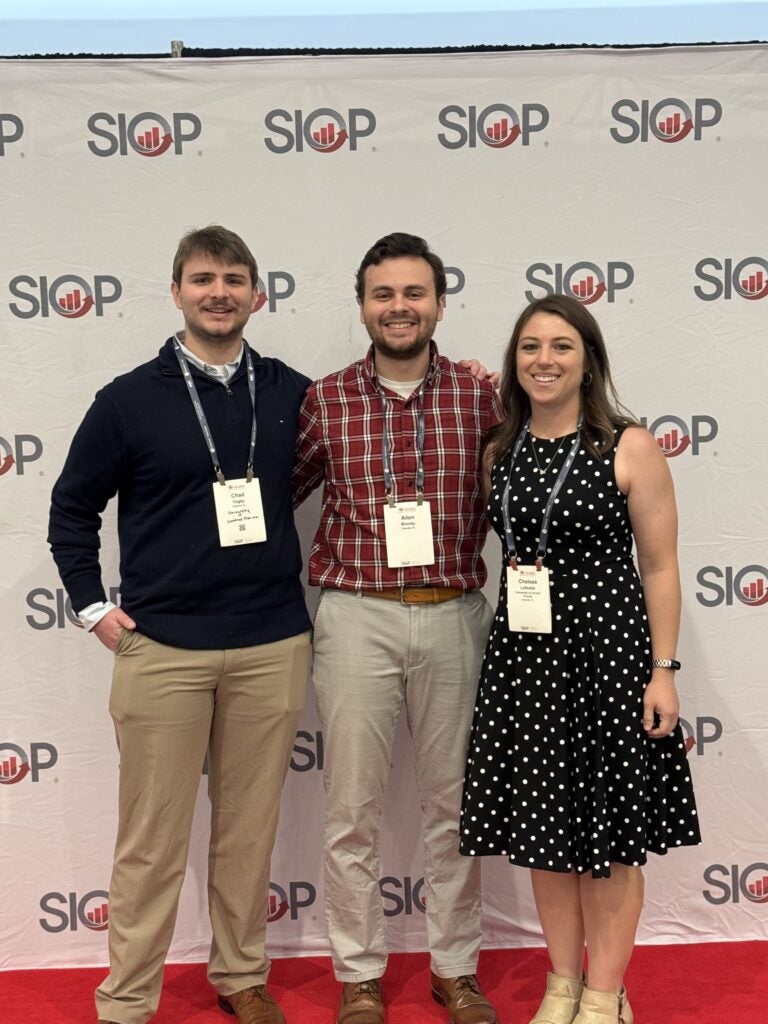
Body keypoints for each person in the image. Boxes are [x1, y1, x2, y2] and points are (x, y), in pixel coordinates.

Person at [48, 226, 313, 1024]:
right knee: (151, 842)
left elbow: (376, 420)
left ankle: (240, 977)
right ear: (176, 292)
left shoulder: (295, 390)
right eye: (203, 278)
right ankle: (128, 999)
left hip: (272, 643)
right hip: (162, 648)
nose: (219, 292)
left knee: (248, 832)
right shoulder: (128, 399)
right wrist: (94, 608)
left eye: (235, 279)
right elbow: (71, 509)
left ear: (257, 295)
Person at [460, 294, 701, 1024]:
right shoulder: (500, 449)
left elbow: (660, 568)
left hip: (611, 660)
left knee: (614, 835)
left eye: (562, 346)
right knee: (542, 832)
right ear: (515, 361)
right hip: (525, 663)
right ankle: (563, 982)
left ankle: (605, 992)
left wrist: (664, 670)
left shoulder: (628, 446)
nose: (544, 360)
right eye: (530, 346)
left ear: (588, 359)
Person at [292, 232, 502, 1024]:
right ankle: (359, 972)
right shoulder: (325, 399)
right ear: (362, 307)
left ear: (440, 303)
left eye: (414, 294)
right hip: (356, 619)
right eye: (384, 295)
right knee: (351, 810)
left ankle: (455, 968)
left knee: (456, 808)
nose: (399, 308)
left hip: (454, 617)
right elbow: (280, 496)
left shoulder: (485, 397)